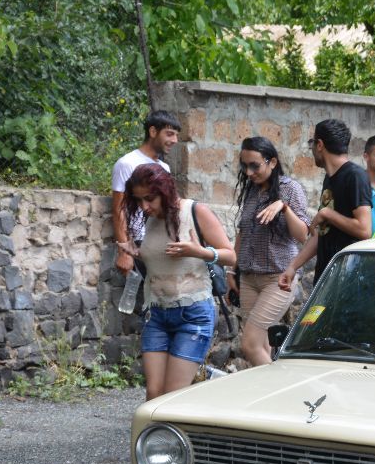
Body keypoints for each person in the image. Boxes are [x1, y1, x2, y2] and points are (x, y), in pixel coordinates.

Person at [117, 164, 235, 400]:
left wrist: (199, 252)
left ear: (165, 190)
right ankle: (154, 437)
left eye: (150, 198)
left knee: (172, 395)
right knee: (154, 393)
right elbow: (159, 257)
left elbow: (230, 255)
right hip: (157, 313)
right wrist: (135, 252)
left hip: (193, 314)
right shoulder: (147, 218)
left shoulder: (194, 211)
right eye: (139, 200)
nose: (144, 206)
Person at [229, 136, 311, 366]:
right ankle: (265, 396)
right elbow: (242, 232)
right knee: (262, 345)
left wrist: (283, 207)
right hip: (248, 278)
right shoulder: (251, 190)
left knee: (250, 344)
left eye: (255, 165)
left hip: (279, 278)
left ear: (272, 162)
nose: (248, 172)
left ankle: (280, 393)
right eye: (244, 166)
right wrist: (230, 272)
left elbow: (303, 235)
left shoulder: (290, 189)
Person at [278, 119, 371, 291]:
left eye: (312, 143)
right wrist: (292, 267)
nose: (312, 149)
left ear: (319, 144)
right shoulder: (329, 178)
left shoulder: (355, 176)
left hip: (348, 280)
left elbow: (364, 230)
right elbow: (321, 234)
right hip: (326, 277)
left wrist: (327, 214)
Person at [111, 111, 181, 275]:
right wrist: (125, 252)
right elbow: (118, 209)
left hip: (161, 240)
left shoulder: (164, 168)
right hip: (139, 243)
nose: (174, 141)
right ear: (152, 132)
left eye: (176, 136)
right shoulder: (127, 163)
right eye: (169, 134)